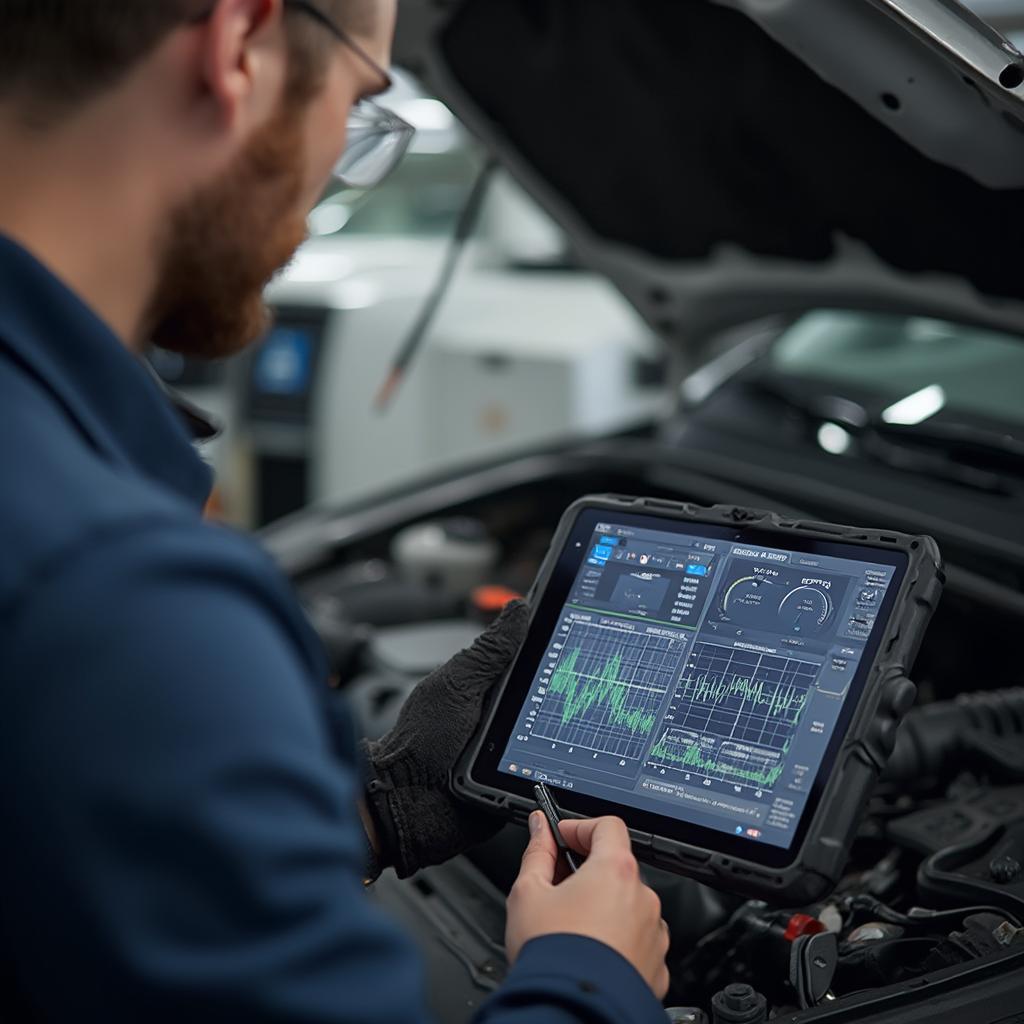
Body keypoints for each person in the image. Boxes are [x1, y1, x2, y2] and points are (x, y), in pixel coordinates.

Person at [0, 1, 672, 1021]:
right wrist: (589, 978)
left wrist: (380, 809)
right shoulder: (110, 599)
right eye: (361, 110)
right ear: (240, 46)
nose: (330, 180)